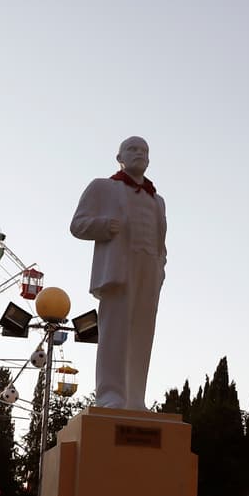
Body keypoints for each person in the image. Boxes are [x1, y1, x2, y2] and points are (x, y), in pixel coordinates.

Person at [70, 135, 168, 411]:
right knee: (114, 332)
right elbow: (77, 225)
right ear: (119, 157)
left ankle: (136, 397)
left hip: (149, 268)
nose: (139, 154)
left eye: (144, 150)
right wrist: (104, 225)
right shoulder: (103, 187)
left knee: (142, 335)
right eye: (132, 149)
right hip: (118, 268)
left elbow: (162, 241)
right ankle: (110, 395)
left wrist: (160, 269)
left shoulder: (157, 200)